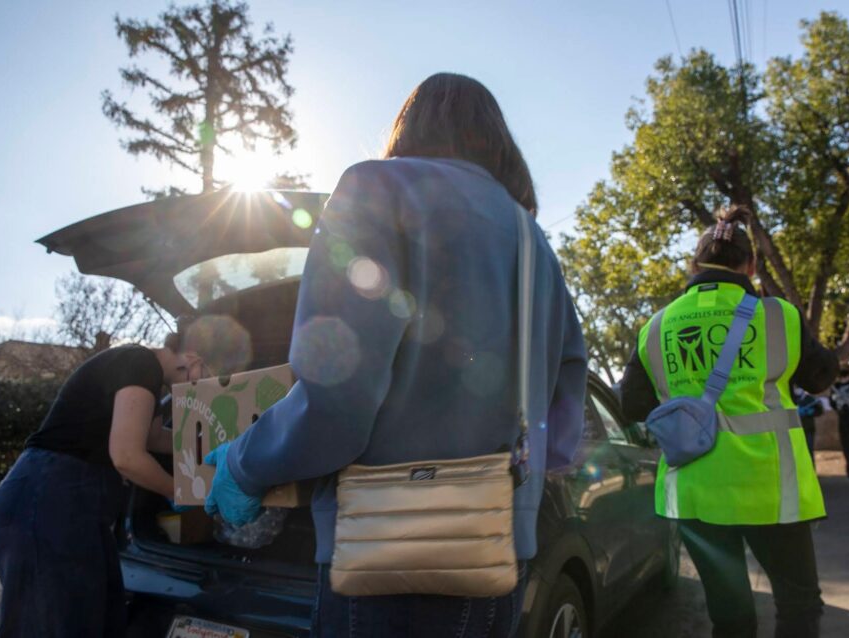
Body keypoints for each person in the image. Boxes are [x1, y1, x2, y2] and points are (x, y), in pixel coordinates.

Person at [202, 73, 587, 638]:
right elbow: (563, 417)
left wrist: (245, 462)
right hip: (497, 549)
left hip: (386, 557)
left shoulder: (375, 189)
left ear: (409, 127)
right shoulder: (534, 241)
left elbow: (339, 396)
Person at [618, 205, 838, 638]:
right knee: (798, 604)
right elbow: (821, 377)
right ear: (751, 265)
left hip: (697, 491)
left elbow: (631, 404)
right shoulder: (779, 316)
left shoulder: (656, 326)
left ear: (695, 264)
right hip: (773, 488)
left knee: (730, 615)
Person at [0, 334, 206, 637]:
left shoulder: (148, 381)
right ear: (193, 358)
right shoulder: (139, 362)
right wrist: (186, 492)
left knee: (97, 621)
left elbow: (154, 439)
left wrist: (214, 443)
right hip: (43, 503)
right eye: (205, 376)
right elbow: (127, 457)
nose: (202, 385)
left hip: (73, 508)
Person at [794, 386, 824, 464]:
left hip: (808, 428)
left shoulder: (809, 399)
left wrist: (811, 412)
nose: (797, 389)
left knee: (808, 450)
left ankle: (811, 472)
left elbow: (820, 410)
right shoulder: (791, 398)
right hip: (794, 429)